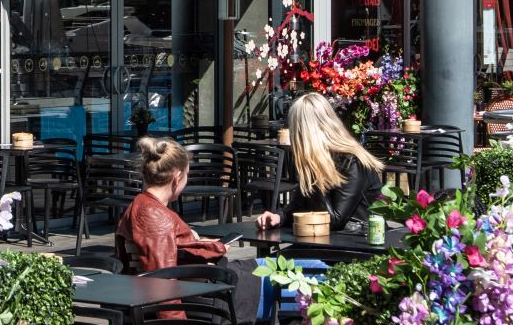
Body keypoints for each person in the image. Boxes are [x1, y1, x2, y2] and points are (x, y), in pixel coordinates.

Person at [256, 92, 386, 232]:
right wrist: (278, 217)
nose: (293, 138)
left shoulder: (352, 162)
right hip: (329, 242)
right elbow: (299, 204)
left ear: (306, 134)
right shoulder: (317, 162)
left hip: (360, 242)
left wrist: (315, 174)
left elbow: (334, 221)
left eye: (295, 131)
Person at [115, 136, 228, 275]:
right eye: (187, 175)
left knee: (258, 266)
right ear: (177, 178)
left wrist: (205, 245)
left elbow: (172, 249)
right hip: (197, 286)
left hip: (192, 280)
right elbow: (163, 278)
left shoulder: (140, 205)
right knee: (259, 270)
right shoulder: (156, 216)